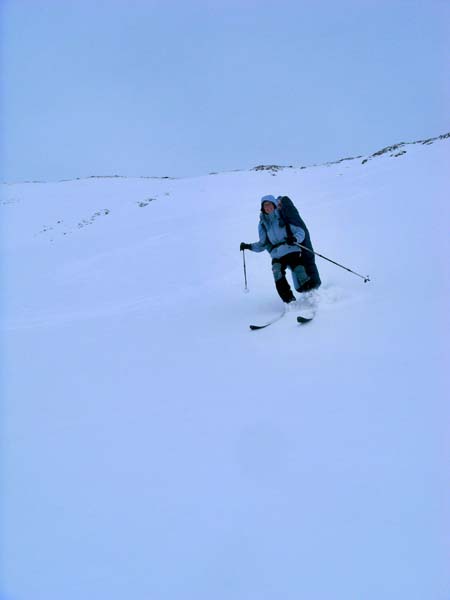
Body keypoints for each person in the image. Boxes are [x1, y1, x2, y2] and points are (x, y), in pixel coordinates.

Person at [240, 194, 321, 304]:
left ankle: (311, 295)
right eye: (265, 206)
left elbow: (300, 232)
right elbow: (263, 244)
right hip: (277, 254)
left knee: (298, 268)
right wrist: (249, 246)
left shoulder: (283, 217)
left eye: (269, 204)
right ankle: (289, 301)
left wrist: (294, 238)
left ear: (274, 205)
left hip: (291, 249)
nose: (267, 207)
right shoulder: (263, 224)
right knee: (276, 272)